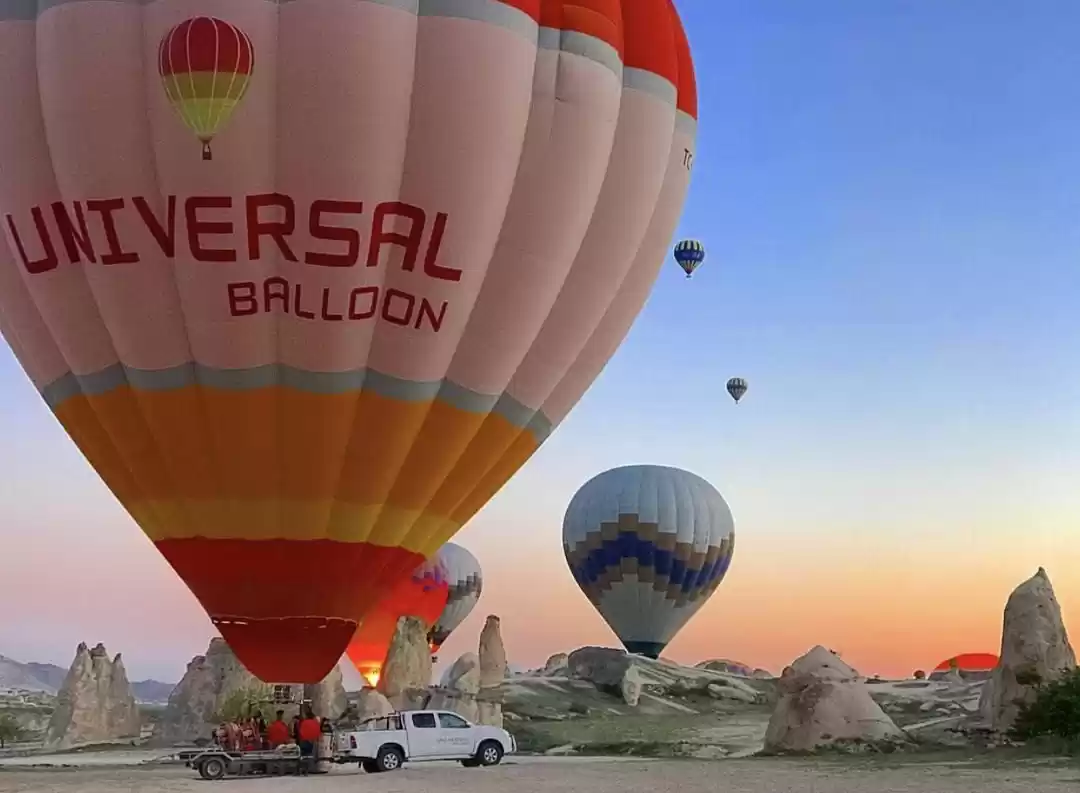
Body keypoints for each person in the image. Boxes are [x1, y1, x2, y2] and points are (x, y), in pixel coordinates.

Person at [297, 706, 322, 775]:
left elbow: (300, 732)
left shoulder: (304, 723)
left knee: (302, 756)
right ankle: (309, 769)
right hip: (312, 742)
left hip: (304, 741)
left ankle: (302, 769)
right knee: (310, 756)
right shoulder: (315, 723)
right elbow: (318, 733)